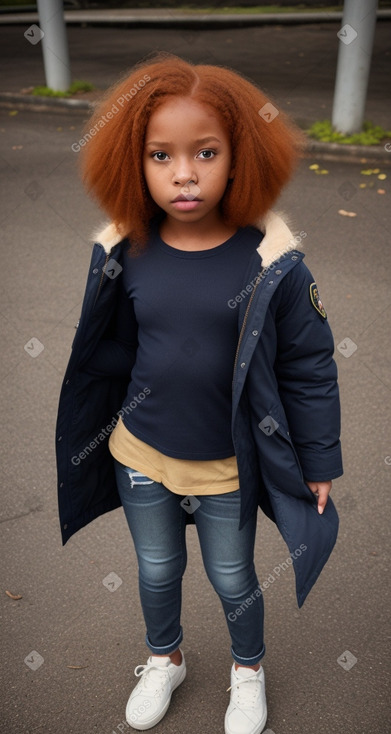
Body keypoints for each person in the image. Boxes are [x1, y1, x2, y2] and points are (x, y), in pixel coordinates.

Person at [56, 54, 342, 734]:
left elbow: (310, 365)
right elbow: (111, 353)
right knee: (156, 571)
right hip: (141, 454)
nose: (183, 172)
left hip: (226, 466)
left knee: (233, 579)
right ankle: (166, 657)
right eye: (160, 155)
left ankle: (248, 671)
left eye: (205, 152)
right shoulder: (126, 253)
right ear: (134, 163)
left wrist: (319, 458)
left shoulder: (270, 262)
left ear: (239, 157)